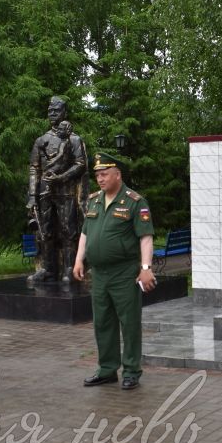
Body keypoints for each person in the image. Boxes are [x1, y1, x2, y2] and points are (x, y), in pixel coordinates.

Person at [73, 153, 155, 390]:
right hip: (99, 274)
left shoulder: (134, 201)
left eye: (104, 174)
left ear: (117, 175)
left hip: (124, 273)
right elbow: (85, 233)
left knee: (129, 323)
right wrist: (79, 260)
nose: (100, 179)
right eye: (97, 175)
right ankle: (107, 369)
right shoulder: (94, 200)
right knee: (103, 323)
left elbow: (145, 237)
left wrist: (146, 268)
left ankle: (131, 371)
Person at [27, 96, 88, 282]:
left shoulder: (74, 139)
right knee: (45, 230)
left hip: (66, 192)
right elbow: (34, 168)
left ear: (64, 113)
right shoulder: (41, 140)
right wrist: (32, 195)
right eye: (50, 111)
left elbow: (80, 164)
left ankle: (69, 268)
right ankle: (48, 269)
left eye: (57, 111)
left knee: (68, 230)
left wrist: (61, 177)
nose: (53, 114)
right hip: (44, 192)